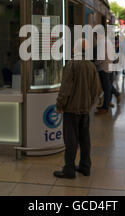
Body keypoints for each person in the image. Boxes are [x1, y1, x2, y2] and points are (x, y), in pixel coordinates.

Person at [53, 39, 102, 179]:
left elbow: (65, 89)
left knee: (70, 139)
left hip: (71, 110)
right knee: (85, 138)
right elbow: (97, 89)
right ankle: (85, 167)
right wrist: (89, 103)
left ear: (75, 50)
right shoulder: (91, 66)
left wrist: (59, 105)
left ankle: (69, 169)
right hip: (85, 110)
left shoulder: (71, 64)